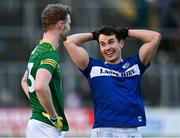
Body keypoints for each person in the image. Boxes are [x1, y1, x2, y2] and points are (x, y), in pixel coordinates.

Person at [63, 25, 161, 138]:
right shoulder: (92, 67)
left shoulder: (135, 64)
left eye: (111, 42)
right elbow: (68, 41)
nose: (107, 47)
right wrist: (94, 35)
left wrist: (126, 32)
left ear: (121, 43)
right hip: (103, 130)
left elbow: (155, 37)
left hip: (130, 131)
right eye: (102, 44)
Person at [21, 3, 71, 138]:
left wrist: (38, 104)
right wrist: (54, 117)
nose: (69, 28)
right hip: (45, 127)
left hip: (37, 125)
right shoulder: (50, 54)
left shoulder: (37, 50)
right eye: (68, 24)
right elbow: (40, 86)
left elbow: (24, 81)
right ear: (60, 25)